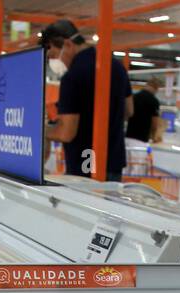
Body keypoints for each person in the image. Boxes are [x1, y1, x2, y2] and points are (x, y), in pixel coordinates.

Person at [41, 18, 132, 181]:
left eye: (54, 55)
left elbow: (66, 133)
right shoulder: (116, 66)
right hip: (113, 162)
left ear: (68, 45)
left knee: (86, 205)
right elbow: (129, 110)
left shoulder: (73, 77)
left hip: (85, 165)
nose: (57, 61)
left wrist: (44, 131)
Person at [126, 75, 164, 144]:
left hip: (128, 136)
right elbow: (154, 123)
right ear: (156, 88)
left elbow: (127, 115)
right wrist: (154, 137)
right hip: (141, 139)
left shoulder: (134, 97)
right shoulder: (153, 101)